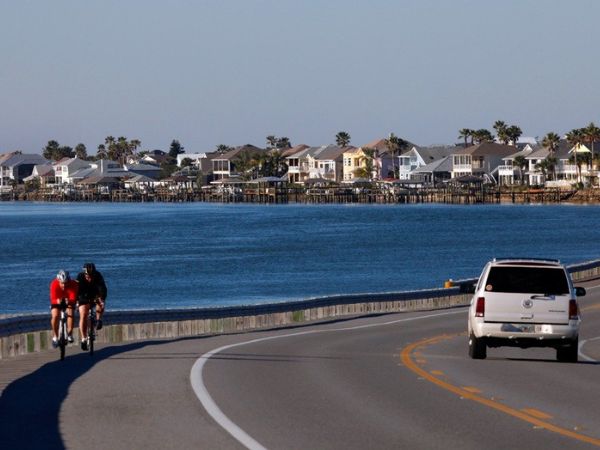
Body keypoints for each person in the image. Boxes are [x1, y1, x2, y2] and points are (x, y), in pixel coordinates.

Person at [76, 262, 107, 350]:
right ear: (84, 274)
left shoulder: (98, 276)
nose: (89, 278)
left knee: (100, 303)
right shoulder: (80, 277)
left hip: (95, 295)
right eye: (87, 276)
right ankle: (83, 339)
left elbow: (103, 288)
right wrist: (77, 301)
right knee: (83, 314)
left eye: (91, 276)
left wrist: (101, 298)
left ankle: (98, 319)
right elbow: (76, 291)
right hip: (83, 296)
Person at [49, 270, 79, 348]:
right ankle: (55, 336)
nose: (64, 285)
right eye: (62, 283)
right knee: (55, 315)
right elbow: (52, 298)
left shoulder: (73, 284)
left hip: (69, 300)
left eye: (66, 283)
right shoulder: (54, 284)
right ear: (58, 280)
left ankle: (69, 334)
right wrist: (58, 301)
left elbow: (73, 297)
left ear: (69, 281)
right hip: (57, 301)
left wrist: (69, 301)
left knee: (71, 312)